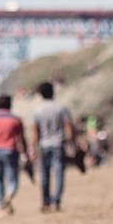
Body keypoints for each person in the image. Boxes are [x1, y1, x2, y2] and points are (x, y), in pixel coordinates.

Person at [29, 81, 78, 213]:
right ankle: (55, 202)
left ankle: (45, 202)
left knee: (44, 175)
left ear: (40, 94)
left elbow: (35, 132)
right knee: (59, 174)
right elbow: (69, 127)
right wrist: (72, 143)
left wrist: (32, 149)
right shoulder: (61, 108)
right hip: (59, 144)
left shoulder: (37, 110)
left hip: (44, 145)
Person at [0, 94, 32, 218]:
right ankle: (8, 198)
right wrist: (25, 154)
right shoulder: (15, 120)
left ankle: (3, 206)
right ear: (10, 104)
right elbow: (21, 139)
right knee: (13, 179)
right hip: (10, 151)